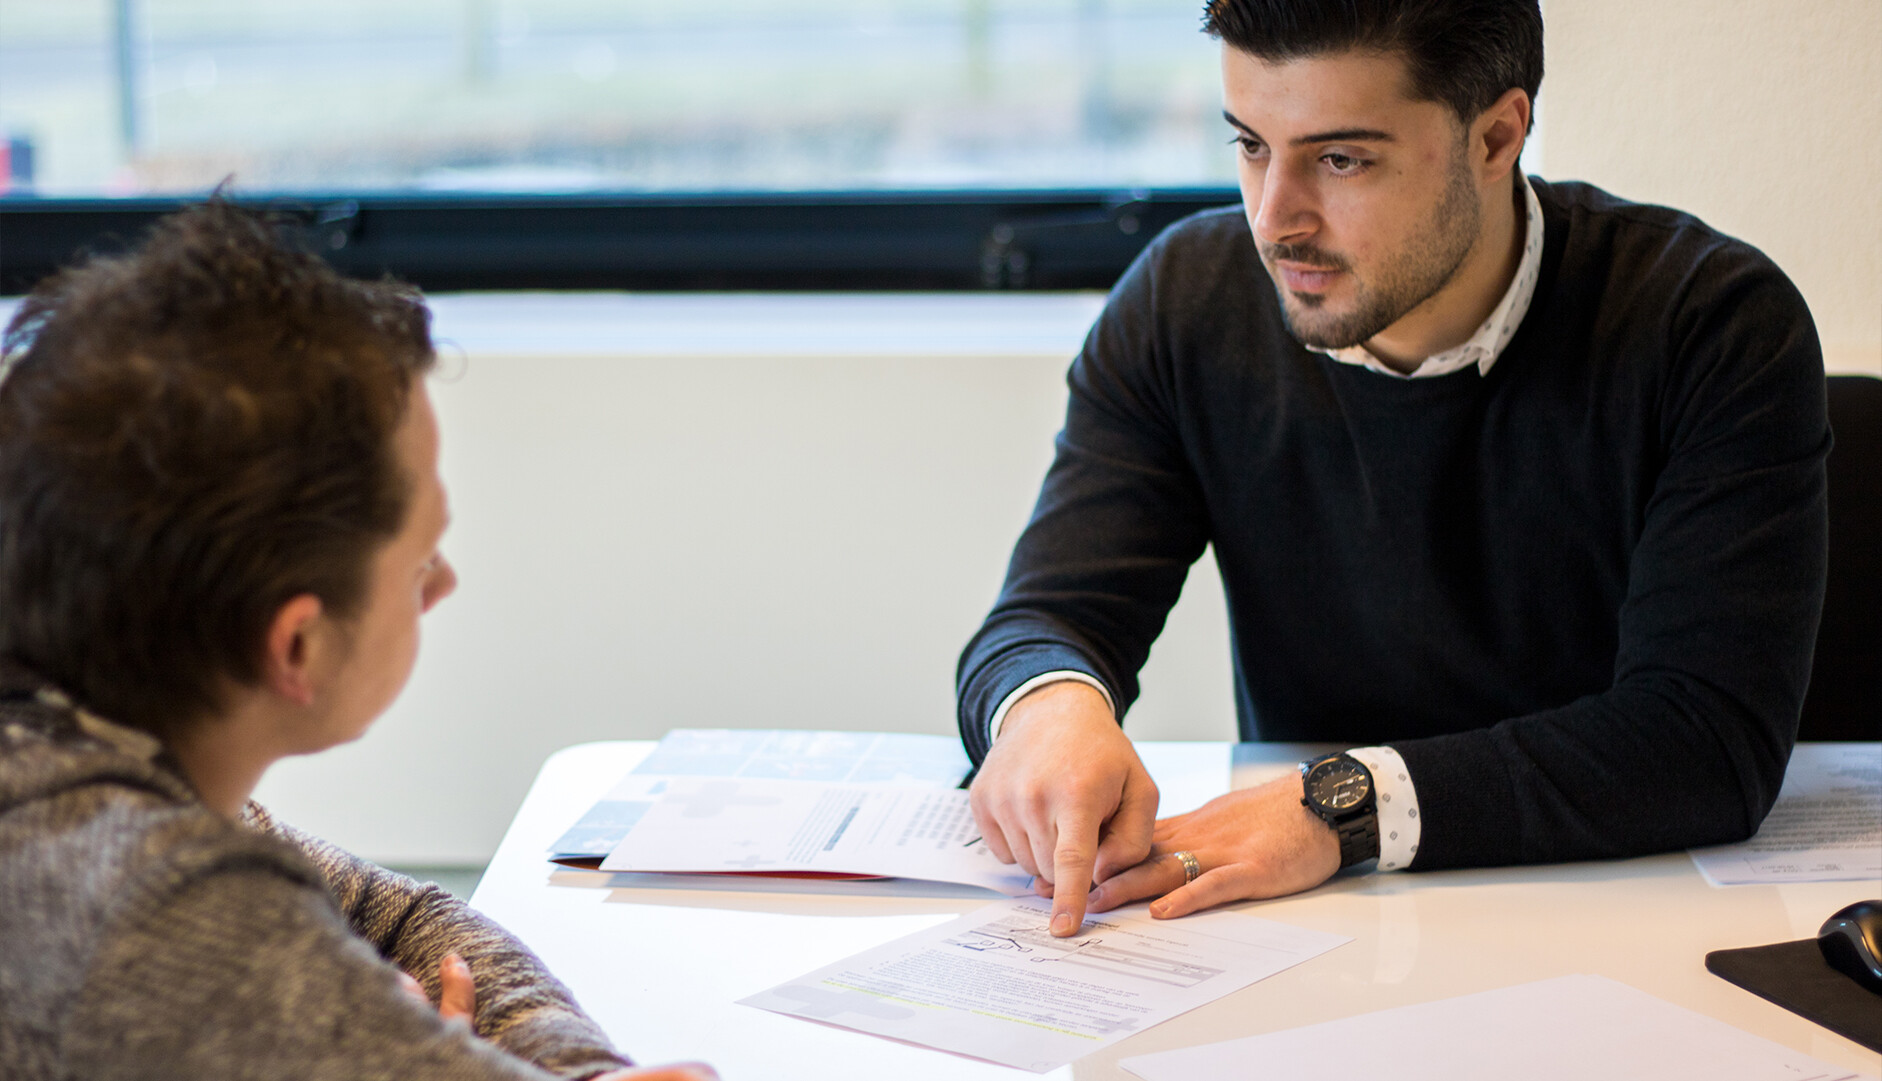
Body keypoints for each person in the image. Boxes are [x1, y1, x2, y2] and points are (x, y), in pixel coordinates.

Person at [959, 0, 1828, 938]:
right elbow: (1047, 619)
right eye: (1250, 145)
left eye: (1340, 160)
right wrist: (1049, 708)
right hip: (1313, 933)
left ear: (1496, 137)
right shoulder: (1186, 302)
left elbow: (1703, 740)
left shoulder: (1711, 324)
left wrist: (1341, 805)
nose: (1273, 220)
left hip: (1640, 921)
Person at [0, 202, 714, 1081]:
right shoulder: (171, 909)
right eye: (419, 561)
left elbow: (404, 918)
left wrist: (571, 1067)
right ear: (297, 646)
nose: (444, 583)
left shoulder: (88, 767)